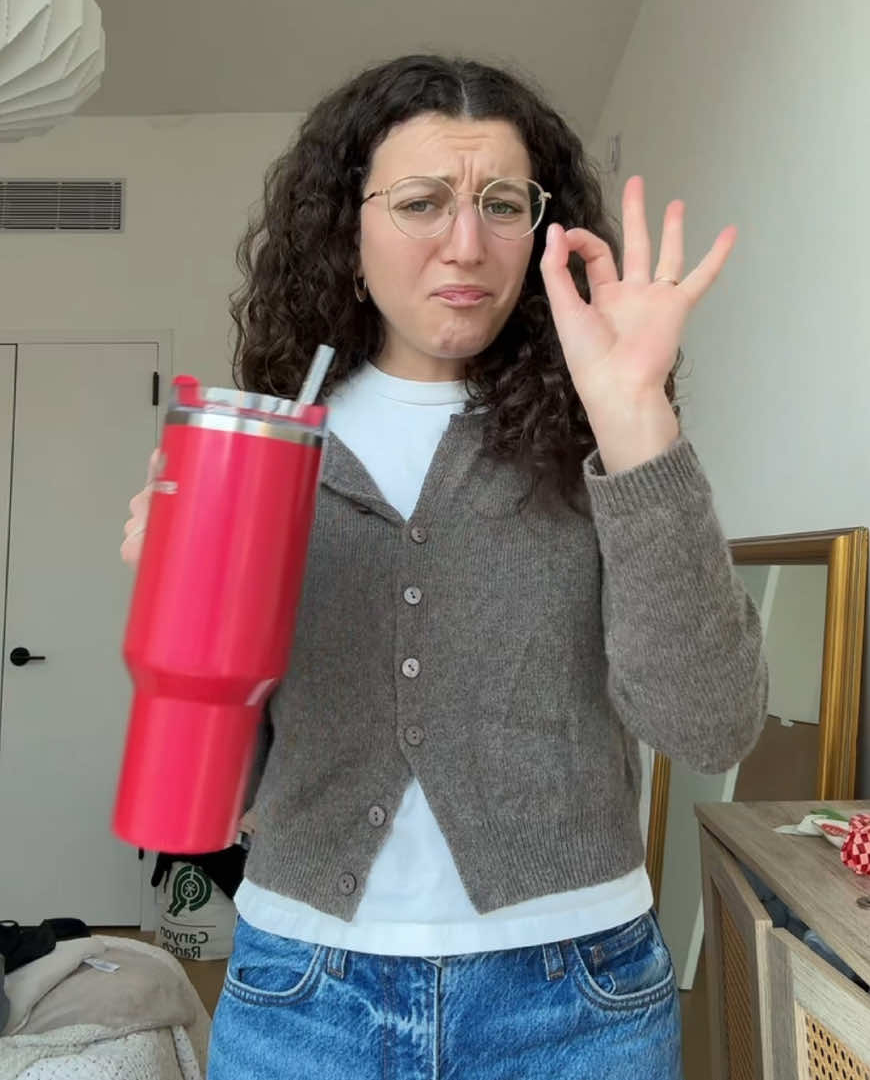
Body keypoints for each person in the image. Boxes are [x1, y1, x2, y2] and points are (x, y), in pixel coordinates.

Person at [122, 54, 767, 1080]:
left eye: (502, 204)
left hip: (578, 999)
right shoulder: (270, 446)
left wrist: (636, 418)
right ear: (348, 228)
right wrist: (180, 601)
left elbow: (710, 725)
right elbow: (232, 779)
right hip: (304, 993)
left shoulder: (593, 436)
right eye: (422, 202)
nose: (466, 244)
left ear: (541, 230)